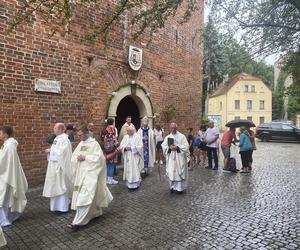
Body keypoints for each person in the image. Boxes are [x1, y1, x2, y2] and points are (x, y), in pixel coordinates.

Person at [67, 125, 113, 230]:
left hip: (90, 174)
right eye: (78, 135)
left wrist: (85, 157)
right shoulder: (81, 144)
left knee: (85, 197)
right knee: (83, 196)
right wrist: (77, 158)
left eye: (80, 135)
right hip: (80, 174)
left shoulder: (94, 144)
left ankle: (76, 222)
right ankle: (95, 212)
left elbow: (99, 159)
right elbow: (74, 156)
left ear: (86, 133)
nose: (79, 137)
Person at [0, 126, 28, 226]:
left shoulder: (9, 146)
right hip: (5, 175)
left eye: (0, 133)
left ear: (5, 134)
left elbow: (4, 162)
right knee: (3, 198)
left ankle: (4, 220)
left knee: (3, 198)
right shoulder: (7, 145)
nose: (0, 135)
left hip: (7, 176)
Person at [43, 123, 73, 213]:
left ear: (60, 130)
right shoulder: (56, 139)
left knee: (61, 185)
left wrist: (51, 151)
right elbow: (55, 149)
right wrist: (50, 151)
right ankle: (55, 207)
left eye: (55, 128)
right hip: (53, 166)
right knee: (54, 185)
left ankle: (62, 207)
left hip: (60, 167)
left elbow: (63, 153)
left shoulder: (65, 140)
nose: (54, 130)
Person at [162, 123, 189, 194]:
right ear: (170, 128)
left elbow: (186, 146)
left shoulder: (182, 136)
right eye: (171, 128)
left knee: (178, 172)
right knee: (171, 172)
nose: (173, 129)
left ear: (176, 128)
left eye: (174, 128)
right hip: (171, 158)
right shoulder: (168, 137)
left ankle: (179, 188)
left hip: (179, 158)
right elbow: (164, 146)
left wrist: (177, 147)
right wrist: (169, 148)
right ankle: (173, 187)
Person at [120, 126, 143, 191]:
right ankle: (129, 184)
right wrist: (125, 148)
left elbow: (141, 146)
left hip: (134, 156)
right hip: (127, 156)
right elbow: (121, 145)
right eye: (127, 131)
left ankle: (135, 184)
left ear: (133, 131)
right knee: (128, 169)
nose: (128, 132)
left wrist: (132, 148)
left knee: (134, 169)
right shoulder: (125, 137)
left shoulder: (138, 137)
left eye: (129, 131)